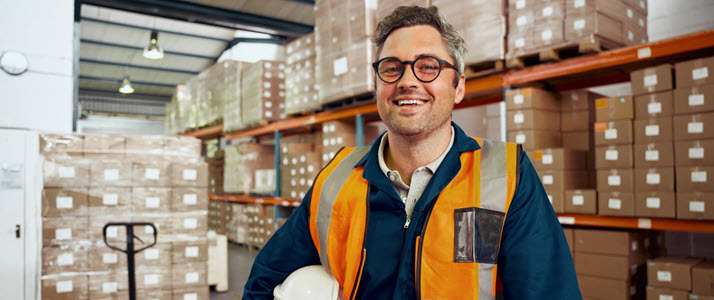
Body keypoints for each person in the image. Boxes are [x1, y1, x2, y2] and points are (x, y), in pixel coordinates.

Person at [243, 5, 581, 300]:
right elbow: (264, 281)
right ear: (378, 84)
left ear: (458, 86)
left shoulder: (505, 177)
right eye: (392, 68)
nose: (407, 81)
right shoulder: (337, 180)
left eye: (428, 66)